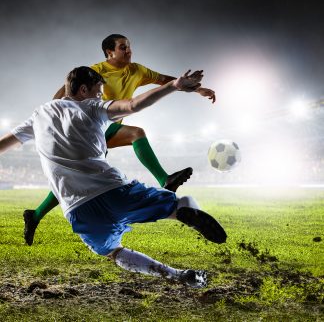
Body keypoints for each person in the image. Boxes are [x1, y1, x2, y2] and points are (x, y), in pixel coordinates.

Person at [0, 67, 226, 288]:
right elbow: (134, 105)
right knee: (181, 203)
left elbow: (4, 144)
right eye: (99, 91)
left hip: (78, 211)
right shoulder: (92, 107)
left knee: (112, 251)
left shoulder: (39, 115)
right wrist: (174, 85)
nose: (101, 96)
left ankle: (177, 276)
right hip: (113, 191)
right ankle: (182, 213)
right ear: (83, 90)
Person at [24, 34, 217, 246]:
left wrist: (198, 89)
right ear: (109, 53)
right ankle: (165, 180)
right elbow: (60, 98)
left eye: (129, 47)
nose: (128, 51)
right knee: (136, 133)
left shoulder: (137, 70)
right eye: (123, 47)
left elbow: (166, 81)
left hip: (103, 132)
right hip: (90, 128)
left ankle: (35, 215)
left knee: (75, 179)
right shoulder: (95, 71)